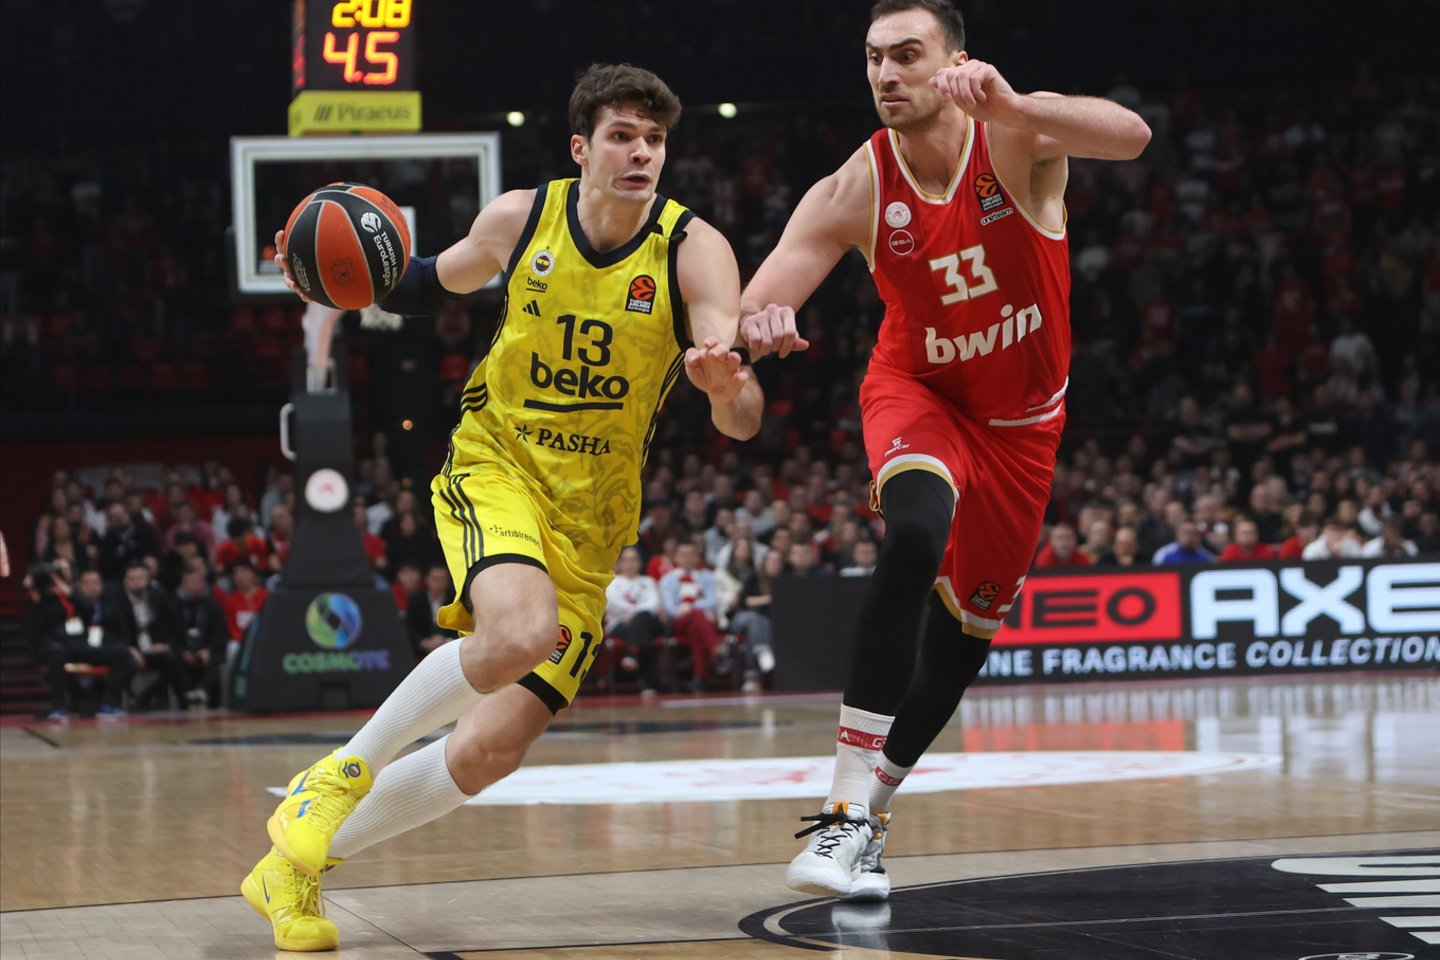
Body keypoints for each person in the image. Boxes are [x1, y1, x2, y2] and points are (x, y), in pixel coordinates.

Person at [243, 63, 763, 952]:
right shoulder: (520, 218)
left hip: (594, 518)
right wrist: (334, 278)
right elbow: (421, 282)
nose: (642, 153)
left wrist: (724, 385)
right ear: (581, 148)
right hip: (499, 463)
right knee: (519, 632)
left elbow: (742, 417)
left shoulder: (694, 250)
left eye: (654, 139)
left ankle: (290, 868)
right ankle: (338, 774)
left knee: (488, 752)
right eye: (623, 137)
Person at [738, 0, 1149, 900]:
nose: (886, 73)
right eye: (873, 57)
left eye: (907, 54)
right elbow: (763, 299)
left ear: (955, 62)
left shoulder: (1015, 136)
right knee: (917, 531)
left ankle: (871, 818)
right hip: (917, 390)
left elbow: (1132, 135)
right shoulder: (856, 186)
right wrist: (761, 321)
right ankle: (841, 810)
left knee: (963, 641)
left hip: (1024, 428)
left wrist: (1015, 102)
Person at [604, 545, 665, 692]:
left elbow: (654, 604)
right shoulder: (612, 581)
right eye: (626, 560)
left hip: (647, 621)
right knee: (642, 630)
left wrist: (635, 615)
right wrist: (635, 613)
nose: (630, 563)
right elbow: (612, 604)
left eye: (633, 560)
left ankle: (632, 654)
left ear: (640, 562)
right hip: (620, 624)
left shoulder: (648, 581)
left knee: (642, 620)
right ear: (620, 563)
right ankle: (650, 682)